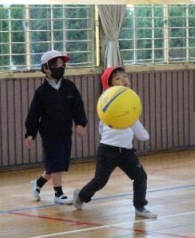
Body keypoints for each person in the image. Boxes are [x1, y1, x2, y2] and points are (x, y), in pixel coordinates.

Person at [73, 67, 156, 219]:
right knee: (100, 181)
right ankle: (81, 196)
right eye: (117, 78)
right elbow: (102, 127)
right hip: (108, 151)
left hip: (126, 151)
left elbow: (134, 124)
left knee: (140, 177)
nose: (123, 79)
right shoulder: (108, 107)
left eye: (125, 76)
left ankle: (140, 207)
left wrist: (141, 134)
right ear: (109, 86)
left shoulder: (129, 104)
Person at [25, 50, 88, 205]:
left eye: (62, 64)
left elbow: (78, 107)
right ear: (46, 68)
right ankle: (58, 194)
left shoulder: (70, 87)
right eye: (56, 64)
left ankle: (38, 183)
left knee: (58, 163)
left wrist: (80, 123)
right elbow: (34, 114)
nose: (60, 67)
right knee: (56, 163)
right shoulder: (41, 92)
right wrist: (30, 133)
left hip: (65, 132)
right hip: (49, 134)